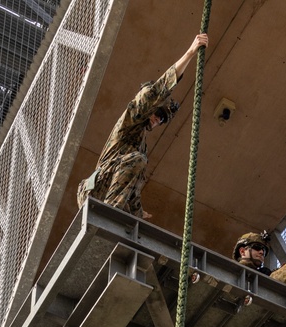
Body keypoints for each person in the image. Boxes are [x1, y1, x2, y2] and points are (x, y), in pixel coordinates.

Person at [77, 32, 208, 220]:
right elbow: (155, 92)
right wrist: (190, 52)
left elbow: (133, 186)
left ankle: (115, 217)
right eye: (157, 113)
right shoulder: (131, 121)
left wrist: (138, 214)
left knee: (139, 164)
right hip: (94, 190)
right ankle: (108, 216)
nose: (157, 120)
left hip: (108, 188)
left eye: (162, 119)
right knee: (138, 159)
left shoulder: (140, 147)